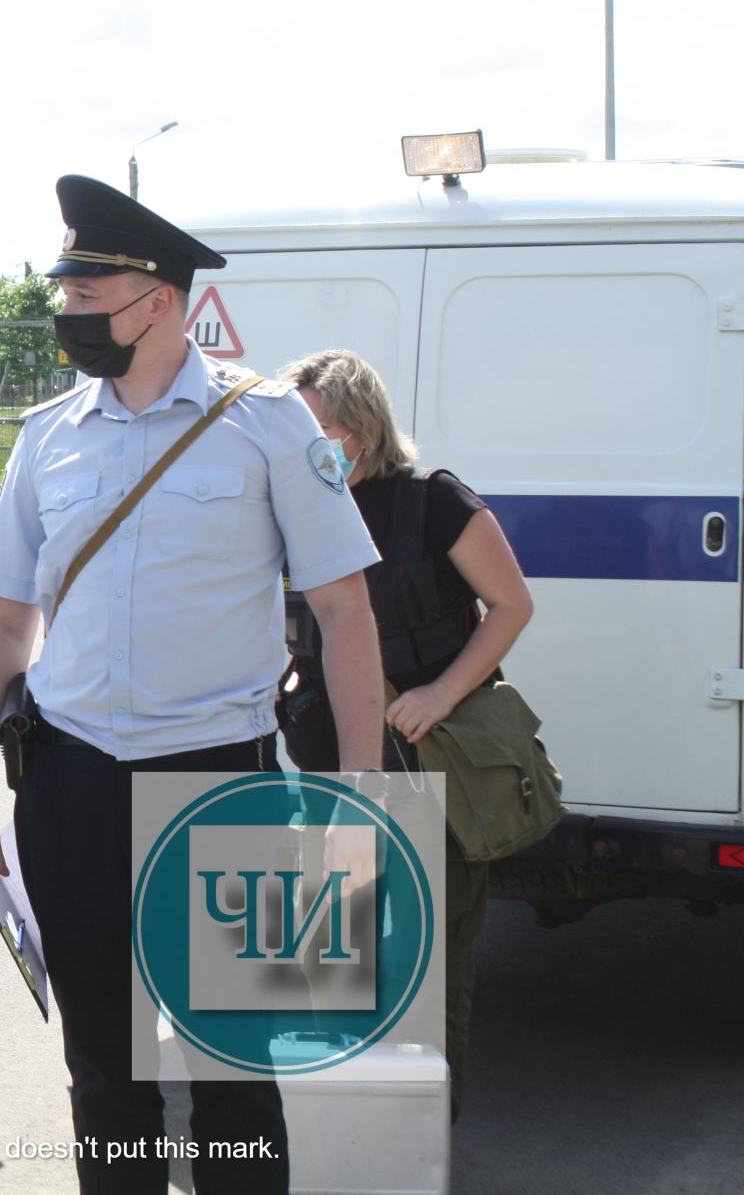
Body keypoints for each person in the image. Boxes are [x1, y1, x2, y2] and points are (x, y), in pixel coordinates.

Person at [0, 176, 386, 1195]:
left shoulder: (270, 423)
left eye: (87, 292)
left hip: (218, 784)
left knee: (233, 1074)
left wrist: (356, 795)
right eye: (66, 291)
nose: (68, 312)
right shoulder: (46, 435)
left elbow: (344, 613)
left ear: (158, 299)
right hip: (72, 785)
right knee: (104, 1069)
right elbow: (6, 623)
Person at [280, 348, 534, 1123]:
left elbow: (512, 605)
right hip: (331, 766)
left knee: (432, 958)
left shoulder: (433, 500)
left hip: (426, 763)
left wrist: (441, 690)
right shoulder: (293, 500)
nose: (304, 442)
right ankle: (343, 1120)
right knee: (333, 947)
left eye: (317, 425)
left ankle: (423, 1134)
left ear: (360, 426)